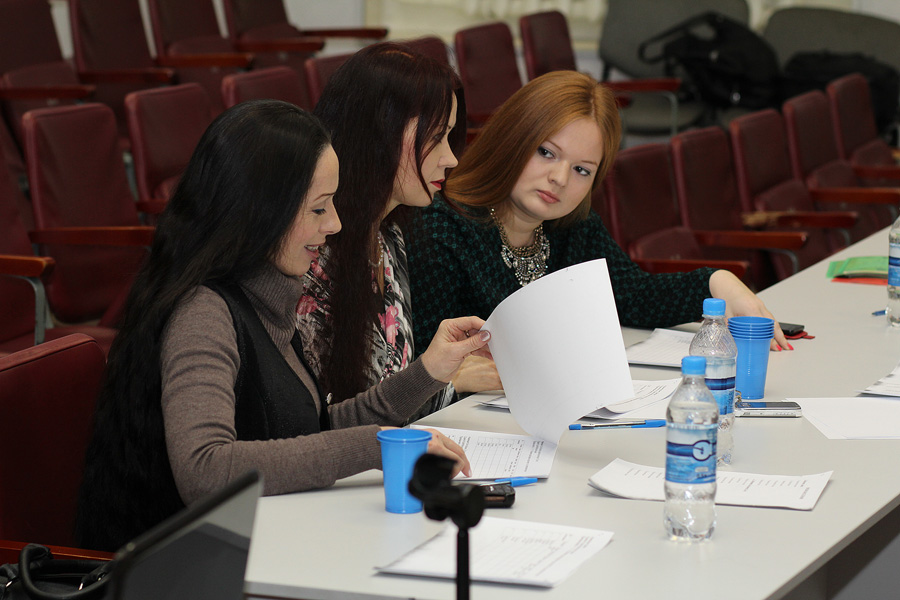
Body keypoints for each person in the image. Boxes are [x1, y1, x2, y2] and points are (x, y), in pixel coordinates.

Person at [75, 100, 491, 552]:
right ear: (261, 212)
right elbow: (205, 469)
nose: (335, 224)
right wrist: (378, 446)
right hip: (187, 564)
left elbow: (309, 429)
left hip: (254, 544)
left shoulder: (266, 291)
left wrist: (429, 371)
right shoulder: (203, 311)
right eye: (318, 209)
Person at [406, 70, 790, 359]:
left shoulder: (575, 228)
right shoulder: (442, 227)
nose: (559, 179)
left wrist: (718, 282)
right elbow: (425, 363)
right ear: (512, 140)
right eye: (546, 152)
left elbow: (635, 296)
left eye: (581, 170)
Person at [296, 43, 501, 416]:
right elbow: (323, 424)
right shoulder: (312, 253)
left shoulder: (387, 236)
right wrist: (444, 379)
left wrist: (445, 378)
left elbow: (387, 401)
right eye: (436, 137)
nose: (451, 158)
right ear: (379, 135)